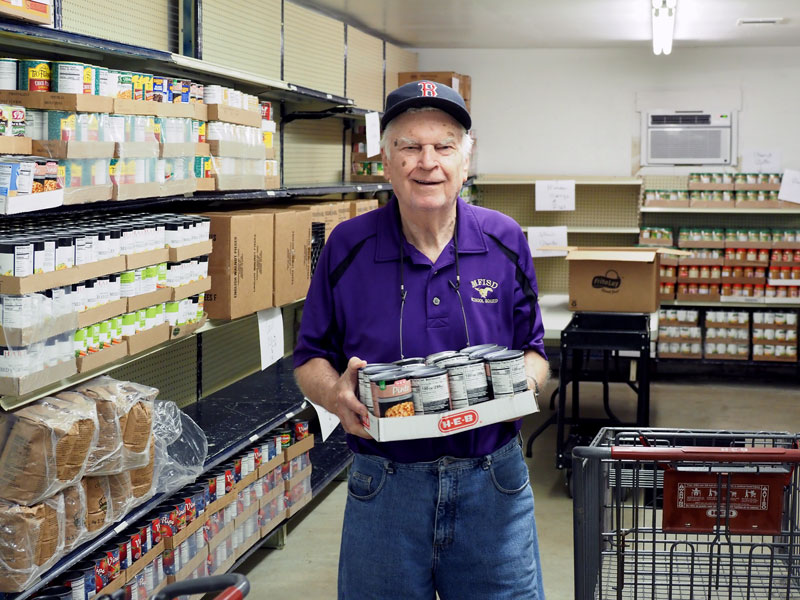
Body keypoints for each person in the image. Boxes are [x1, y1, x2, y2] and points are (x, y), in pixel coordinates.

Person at [293, 80, 550, 599]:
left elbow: (535, 352)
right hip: (385, 487)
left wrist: (522, 382)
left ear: (466, 160)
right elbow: (309, 359)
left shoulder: (506, 239)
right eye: (409, 146)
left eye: (444, 146)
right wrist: (334, 394)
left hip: (493, 484)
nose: (427, 162)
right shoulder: (347, 246)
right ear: (386, 161)